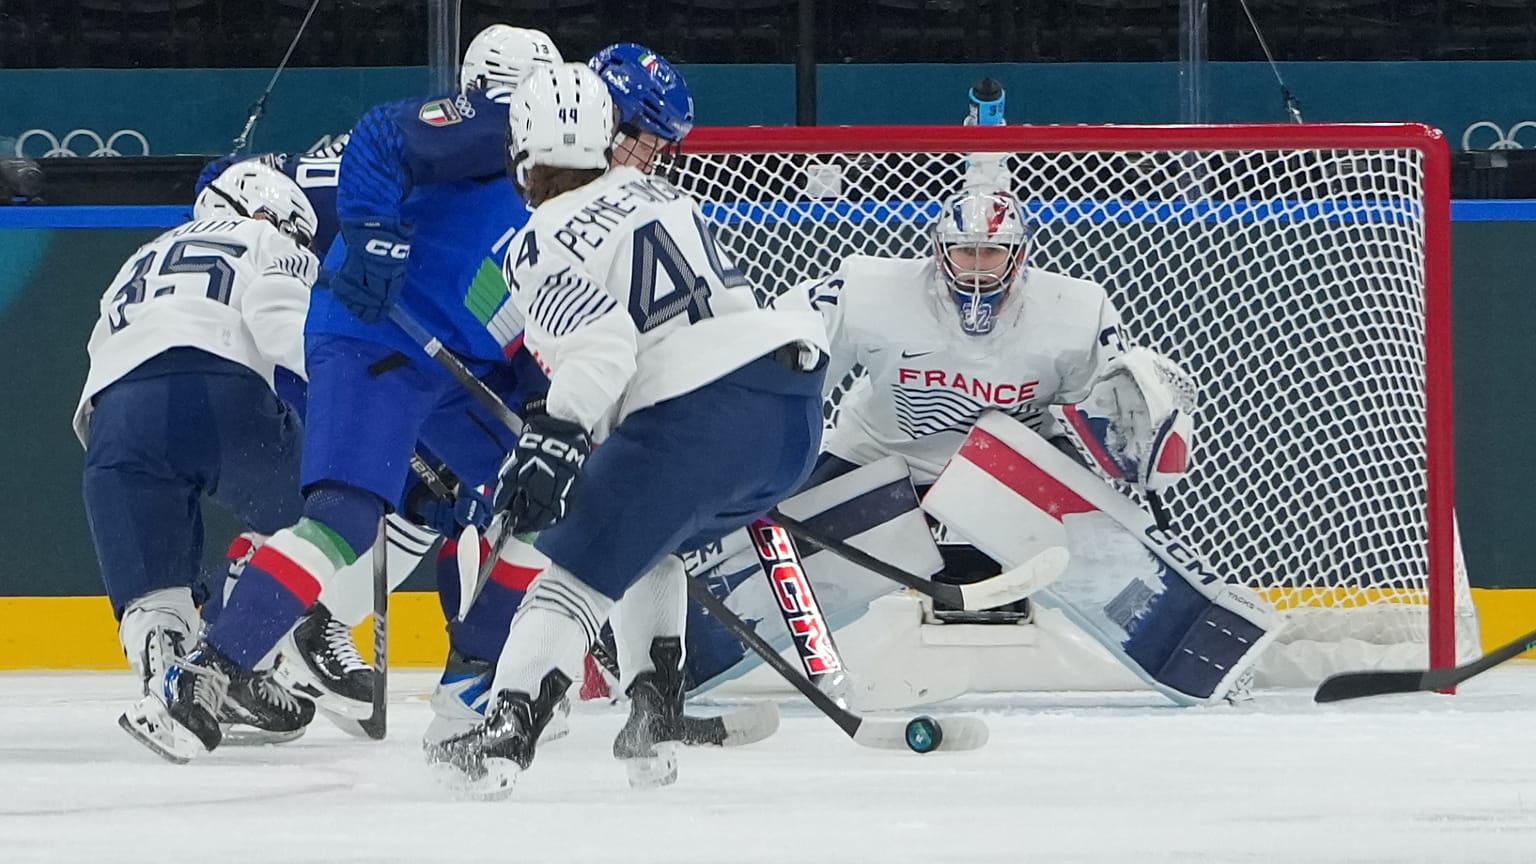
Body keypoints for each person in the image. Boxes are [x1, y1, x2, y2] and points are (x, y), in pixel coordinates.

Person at [118, 27, 557, 764]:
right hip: (372, 335)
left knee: (541, 494)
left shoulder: (560, 197)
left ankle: (467, 696)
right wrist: (374, 236)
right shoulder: (483, 131)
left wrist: (542, 403)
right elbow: (351, 150)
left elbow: (506, 300)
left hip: (456, 362)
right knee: (346, 515)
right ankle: (210, 671)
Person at [425, 61, 828, 799]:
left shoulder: (537, 238)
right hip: (790, 415)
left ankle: (508, 728)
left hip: (694, 418)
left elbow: (602, 342)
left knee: (567, 582)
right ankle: (654, 712)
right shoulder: (664, 194)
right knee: (652, 543)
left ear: (519, 148)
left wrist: (558, 429)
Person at [679, 180, 1201, 693]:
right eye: (963, 252)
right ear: (937, 250)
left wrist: (1138, 427)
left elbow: (1114, 412)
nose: (976, 266)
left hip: (1012, 460)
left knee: (1110, 551)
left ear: (1018, 256)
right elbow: (790, 351)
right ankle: (667, 651)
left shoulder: (1076, 310)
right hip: (881, 448)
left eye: (990, 252)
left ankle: (1182, 628)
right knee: (769, 543)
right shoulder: (868, 290)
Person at [85, 161, 322, 753]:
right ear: (276, 216)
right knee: (329, 516)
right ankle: (229, 650)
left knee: (154, 594)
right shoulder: (271, 240)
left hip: (116, 419)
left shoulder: (140, 256)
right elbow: (285, 329)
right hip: (222, 391)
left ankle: (172, 677)